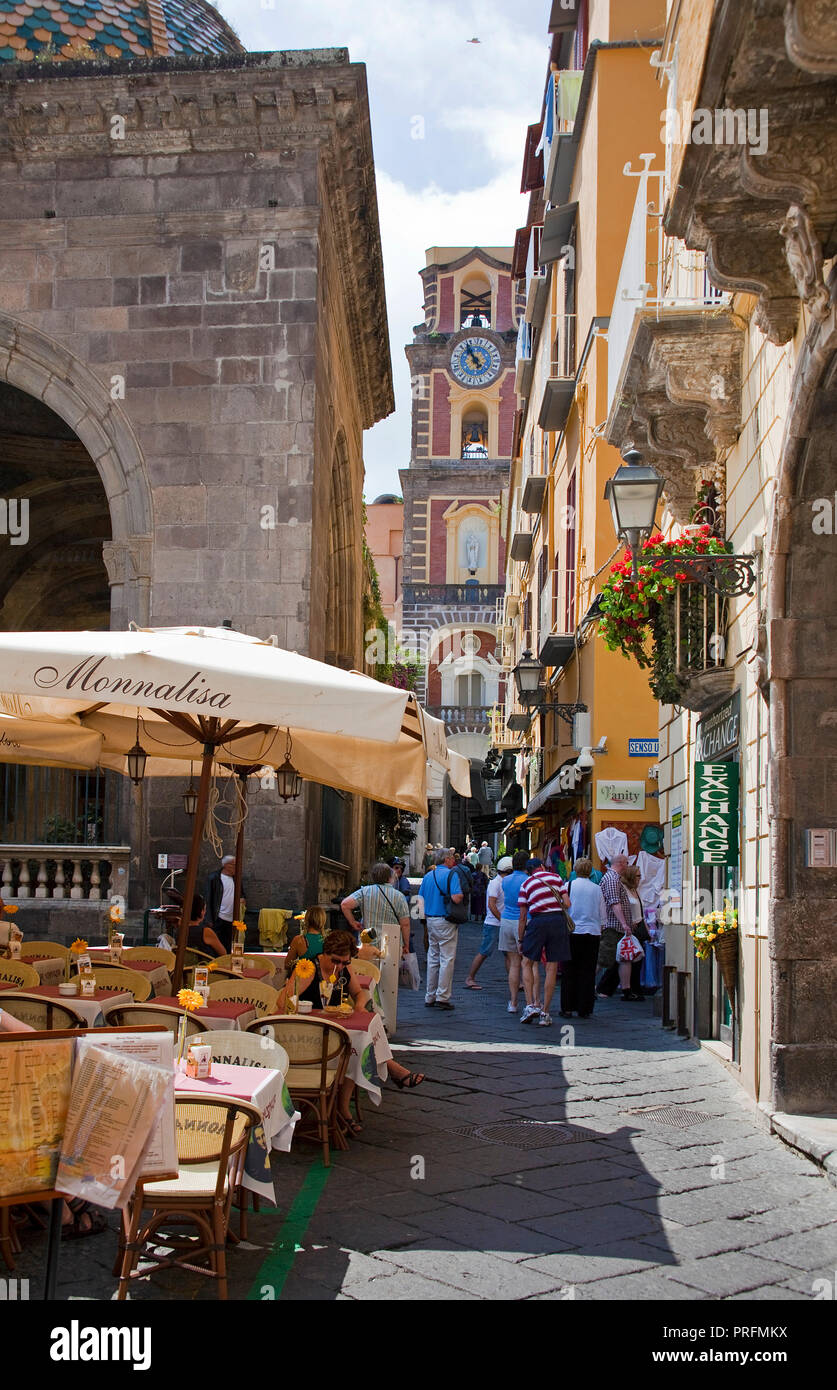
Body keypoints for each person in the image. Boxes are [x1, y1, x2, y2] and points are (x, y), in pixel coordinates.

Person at [341, 862, 410, 1033]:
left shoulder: (365, 892)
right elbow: (405, 923)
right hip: (391, 945)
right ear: (389, 877)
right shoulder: (398, 896)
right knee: (388, 984)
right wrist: (407, 944)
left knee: (369, 982)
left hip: (368, 944)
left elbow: (345, 904)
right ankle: (387, 1021)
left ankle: (370, 1016)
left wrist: (353, 922)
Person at [517, 857, 571, 1027]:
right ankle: (545, 1013)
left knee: (527, 962)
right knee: (551, 967)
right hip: (557, 922)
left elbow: (523, 916)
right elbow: (567, 903)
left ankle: (530, 1005)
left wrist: (520, 939)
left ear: (529, 871)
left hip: (538, 922)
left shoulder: (526, 884)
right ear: (542, 866)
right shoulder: (556, 878)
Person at [418, 847, 464, 1010]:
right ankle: (442, 996)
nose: (454, 860)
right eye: (452, 857)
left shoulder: (429, 876)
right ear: (446, 859)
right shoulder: (452, 875)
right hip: (446, 919)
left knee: (433, 957)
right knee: (447, 958)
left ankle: (429, 995)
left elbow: (420, 899)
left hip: (430, 920)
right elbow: (457, 897)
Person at [561, 858, 606, 1018]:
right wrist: (600, 928)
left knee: (569, 971)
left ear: (575, 869)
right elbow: (603, 914)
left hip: (572, 932)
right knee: (587, 972)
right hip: (592, 933)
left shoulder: (568, 886)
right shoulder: (597, 889)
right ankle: (584, 1008)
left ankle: (567, 1007)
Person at [465, 855, 512, 989]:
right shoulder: (496, 883)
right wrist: (502, 920)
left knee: (509, 953)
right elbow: (491, 905)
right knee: (485, 951)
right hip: (494, 923)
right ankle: (470, 978)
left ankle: (514, 981)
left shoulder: (504, 882)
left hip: (501, 922)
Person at [596, 853, 634, 998]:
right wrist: (624, 923)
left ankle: (626, 989)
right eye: (626, 863)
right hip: (613, 926)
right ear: (620, 863)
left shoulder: (614, 879)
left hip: (616, 926)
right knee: (603, 958)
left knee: (624, 958)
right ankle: (585, 985)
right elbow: (614, 903)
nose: (627, 866)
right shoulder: (612, 879)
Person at [498, 850, 530, 1014]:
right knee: (527, 962)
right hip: (523, 921)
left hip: (506, 920)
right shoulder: (529, 881)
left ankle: (513, 1002)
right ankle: (531, 1002)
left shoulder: (506, 880)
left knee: (513, 963)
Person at [621, 864, 649, 1001]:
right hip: (631, 929)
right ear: (632, 876)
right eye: (638, 875)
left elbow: (641, 912)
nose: (640, 878)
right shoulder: (624, 890)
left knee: (637, 960)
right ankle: (629, 989)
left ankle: (635, 988)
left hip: (639, 928)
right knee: (629, 960)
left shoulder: (635, 890)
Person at [204, 854, 243, 954]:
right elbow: (208, 898)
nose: (236, 868)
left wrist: (242, 900)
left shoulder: (236, 879)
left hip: (232, 918)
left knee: (230, 944)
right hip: (219, 917)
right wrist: (209, 919)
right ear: (226, 865)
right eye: (234, 865)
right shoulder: (214, 878)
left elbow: (242, 894)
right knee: (218, 946)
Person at [284, 905, 327, 971]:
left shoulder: (299, 940)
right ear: (323, 920)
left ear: (306, 920)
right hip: (324, 979)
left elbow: (287, 965)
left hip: (304, 978)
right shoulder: (329, 940)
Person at [185, 892, 226, 957]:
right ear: (201, 912)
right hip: (205, 965)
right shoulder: (205, 932)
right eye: (205, 909)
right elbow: (223, 953)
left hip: (185, 966)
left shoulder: (180, 929)